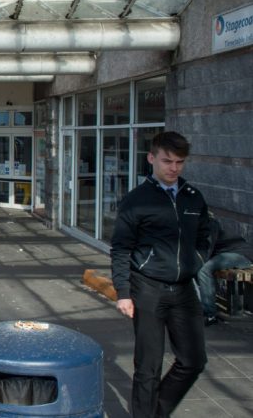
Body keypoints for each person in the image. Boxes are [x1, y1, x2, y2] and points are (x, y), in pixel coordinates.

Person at [110, 131, 212, 418]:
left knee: (193, 360)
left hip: (183, 290)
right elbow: (120, 248)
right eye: (167, 161)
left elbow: (206, 235)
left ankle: (157, 412)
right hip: (148, 289)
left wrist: (198, 260)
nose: (174, 168)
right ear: (152, 158)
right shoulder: (137, 200)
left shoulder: (193, 197)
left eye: (180, 162)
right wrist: (124, 293)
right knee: (148, 366)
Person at [196, 218, 253, 326]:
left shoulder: (211, 224)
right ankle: (205, 306)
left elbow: (207, 251)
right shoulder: (197, 225)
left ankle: (210, 314)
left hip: (241, 254)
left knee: (204, 270)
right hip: (226, 254)